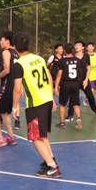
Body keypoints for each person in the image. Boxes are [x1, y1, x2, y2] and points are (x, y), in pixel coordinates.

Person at [12, 32, 61, 178]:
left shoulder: (19, 64)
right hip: (46, 100)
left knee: (35, 137)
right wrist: (51, 98)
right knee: (42, 135)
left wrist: (15, 107)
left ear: (14, 47)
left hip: (36, 104)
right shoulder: (39, 58)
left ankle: (53, 168)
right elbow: (49, 78)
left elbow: (17, 89)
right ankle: (50, 160)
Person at [53, 43, 83, 130]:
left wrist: (56, 86)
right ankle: (78, 118)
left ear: (64, 51)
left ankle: (62, 123)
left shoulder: (62, 61)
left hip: (65, 84)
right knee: (75, 103)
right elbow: (80, 72)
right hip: (75, 83)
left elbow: (59, 74)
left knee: (62, 104)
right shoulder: (78, 60)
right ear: (73, 50)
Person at [74, 41, 96, 117]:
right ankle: (70, 114)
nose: (76, 46)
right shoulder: (73, 56)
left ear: (82, 47)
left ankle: (95, 110)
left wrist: (86, 79)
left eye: (79, 45)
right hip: (75, 80)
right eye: (76, 45)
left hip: (84, 80)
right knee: (74, 97)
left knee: (90, 96)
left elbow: (88, 68)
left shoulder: (86, 56)